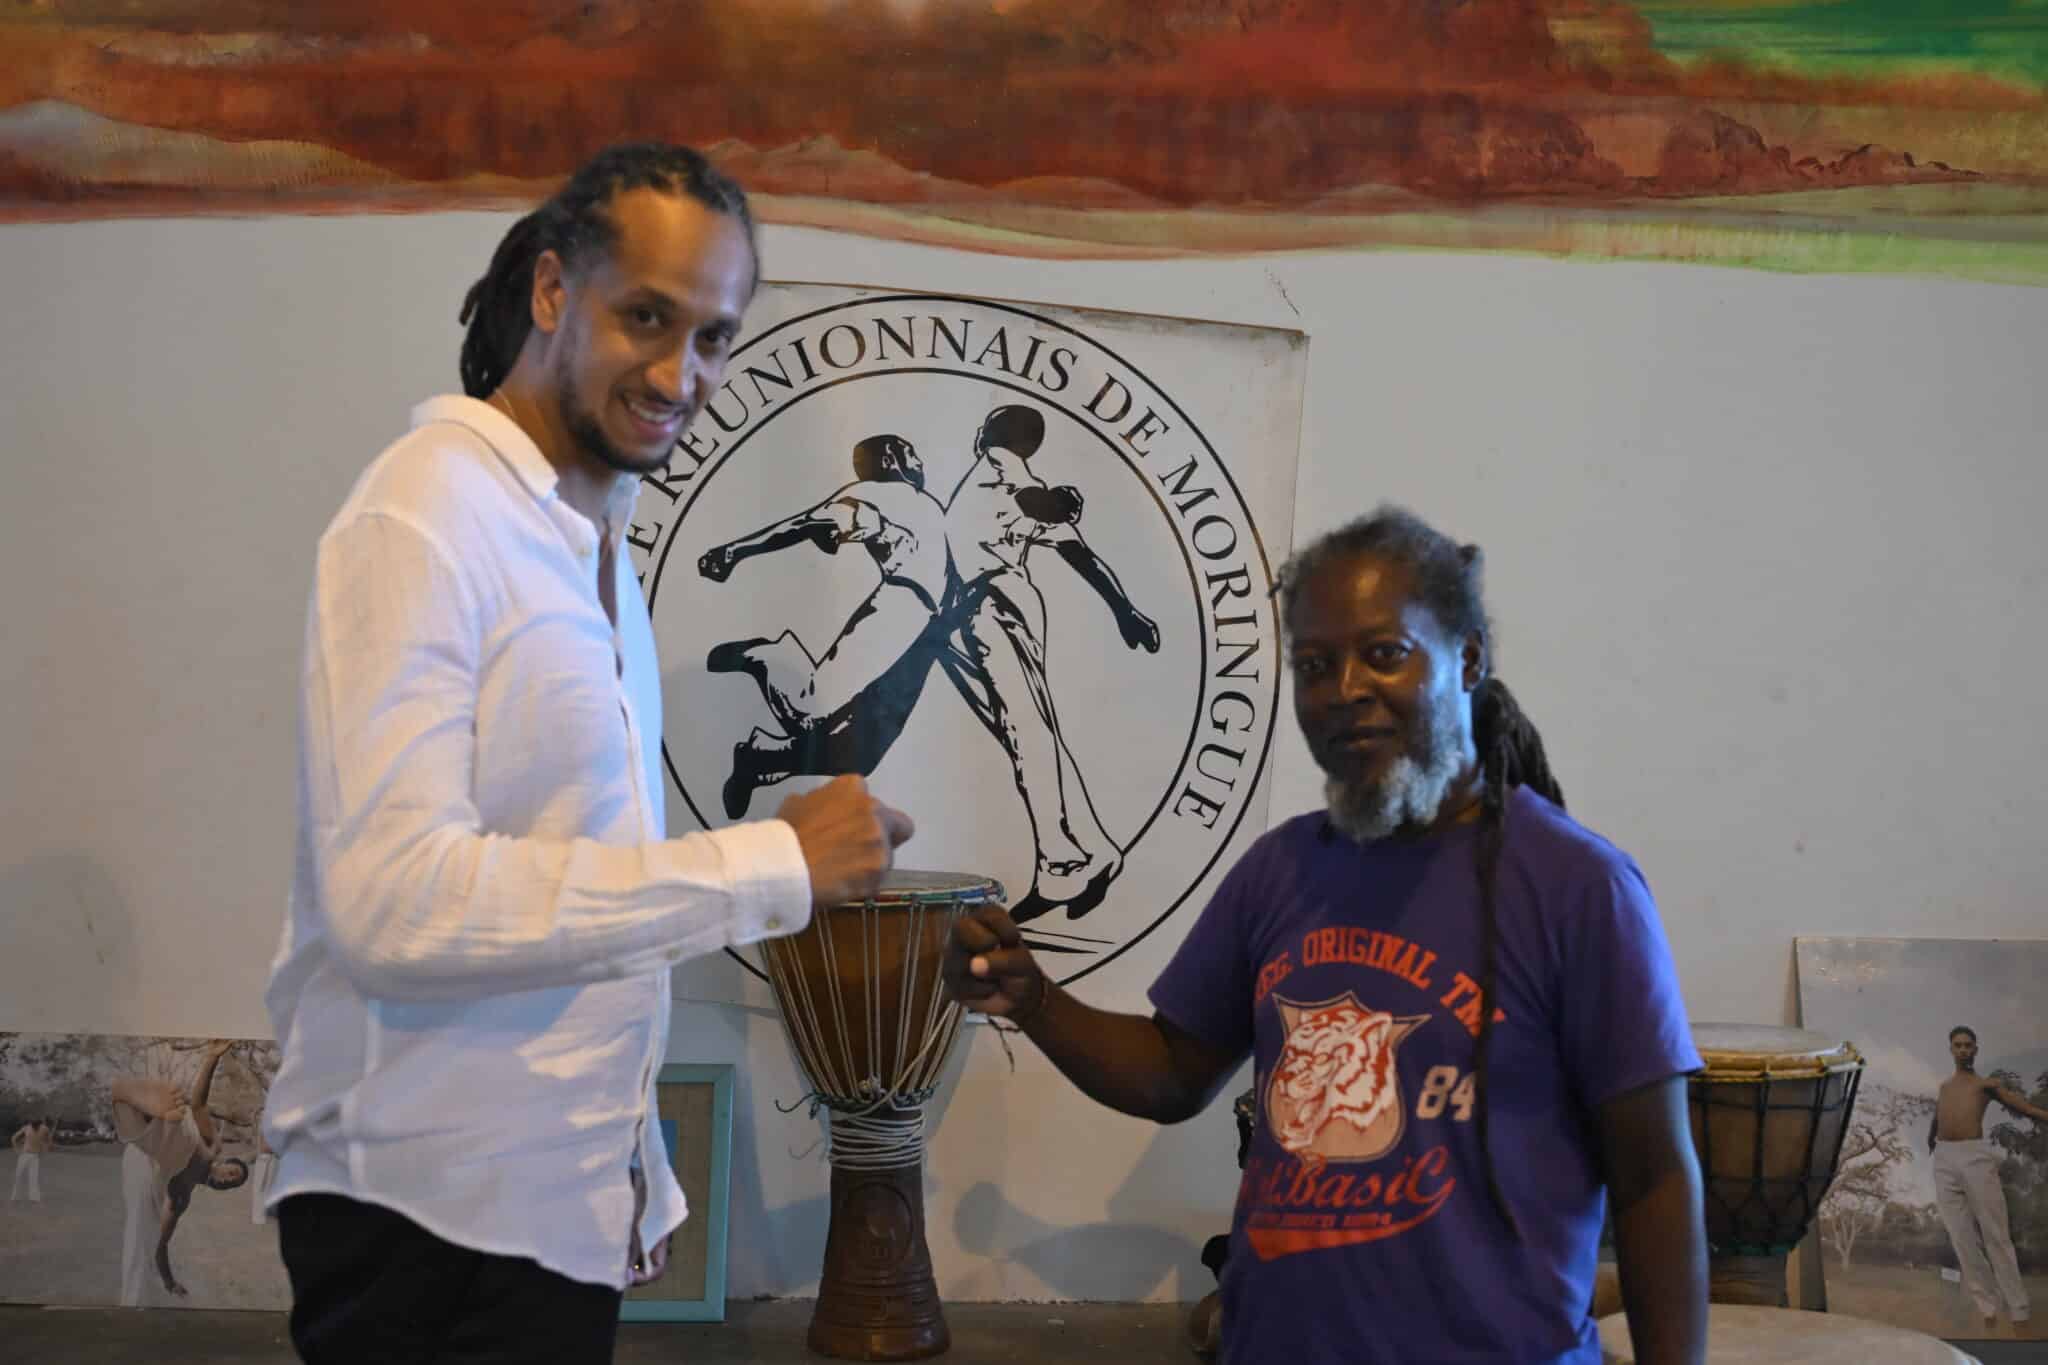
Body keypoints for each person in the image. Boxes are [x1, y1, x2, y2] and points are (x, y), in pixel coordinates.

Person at [261, 142, 913, 1365]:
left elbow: (572, 873)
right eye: (646, 318)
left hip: (538, 1207)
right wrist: (769, 866)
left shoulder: (589, 533)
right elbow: (393, 906)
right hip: (421, 1221)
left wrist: (620, 1156)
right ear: (554, 292)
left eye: (714, 337)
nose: (680, 374)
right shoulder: (425, 512)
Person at [945, 505, 1707, 1364]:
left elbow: (1654, 1177)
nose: (1345, 688)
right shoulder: (1281, 871)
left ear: (1467, 659)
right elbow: (1173, 1069)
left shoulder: (1581, 887)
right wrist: (1034, 1000)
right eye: (1314, 665)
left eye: (1384, 653)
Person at [938, 404, 1159, 921]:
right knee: (1035, 731)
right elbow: (1078, 552)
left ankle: (1061, 866)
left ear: (995, 435)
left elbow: (1038, 504)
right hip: (986, 606)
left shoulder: (999, 468)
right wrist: (1124, 610)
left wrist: (1057, 502)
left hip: (994, 604)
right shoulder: (1001, 479)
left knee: (1027, 734)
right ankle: (1095, 852)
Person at [699, 433, 957, 818]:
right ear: (890, 458)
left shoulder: (929, 506)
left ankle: (759, 757)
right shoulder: (874, 494)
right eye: (912, 453)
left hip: (927, 631)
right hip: (900, 608)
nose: (920, 461)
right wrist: (735, 552)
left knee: (860, 754)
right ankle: (766, 657)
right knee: (811, 709)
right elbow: (806, 524)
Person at [1927, 1025, 2047, 1336]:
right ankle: (1988, 1306)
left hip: (1974, 1156)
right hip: (1944, 1158)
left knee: (1996, 1233)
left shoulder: (1986, 1085)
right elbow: (1938, 1118)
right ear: (1951, 1049)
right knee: (1961, 1237)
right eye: (1958, 1045)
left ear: (1976, 1050)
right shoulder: (1944, 1087)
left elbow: (2022, 1107)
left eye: (1968, 1045)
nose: (1963, 1050)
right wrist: (1932, 1144)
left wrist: (2043, 1116)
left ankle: (2018, 1309)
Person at [112, 1040, 250, 1305]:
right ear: (223, 1163)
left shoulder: (182, 1195)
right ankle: (140, 1104)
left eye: (233, 1184)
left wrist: (169, 1281)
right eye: (233, 1172)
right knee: (183, 1126)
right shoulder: (212, 1146)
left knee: (143, 1235)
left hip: (147, 1165)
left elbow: (161, 1243)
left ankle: (133, 1301)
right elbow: (198, 1105)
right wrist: (212, 1059)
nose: (229, 1180)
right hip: (163, 1134)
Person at [9, 1116, 52, 1203]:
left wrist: (45, 1150)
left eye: (36, 1125)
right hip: (24, 1155)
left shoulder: (44, 1129)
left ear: (40, 1124)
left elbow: (49, 1140)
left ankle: (34, 1197)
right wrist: (16, 1150)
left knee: (34, 1177)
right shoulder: (26, 1128)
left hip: (35, 1156)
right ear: (31, 1124)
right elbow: (13, 1138)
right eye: (33, 1125)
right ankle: (15, 1196)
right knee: (18, 1175)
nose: (34, 1127)